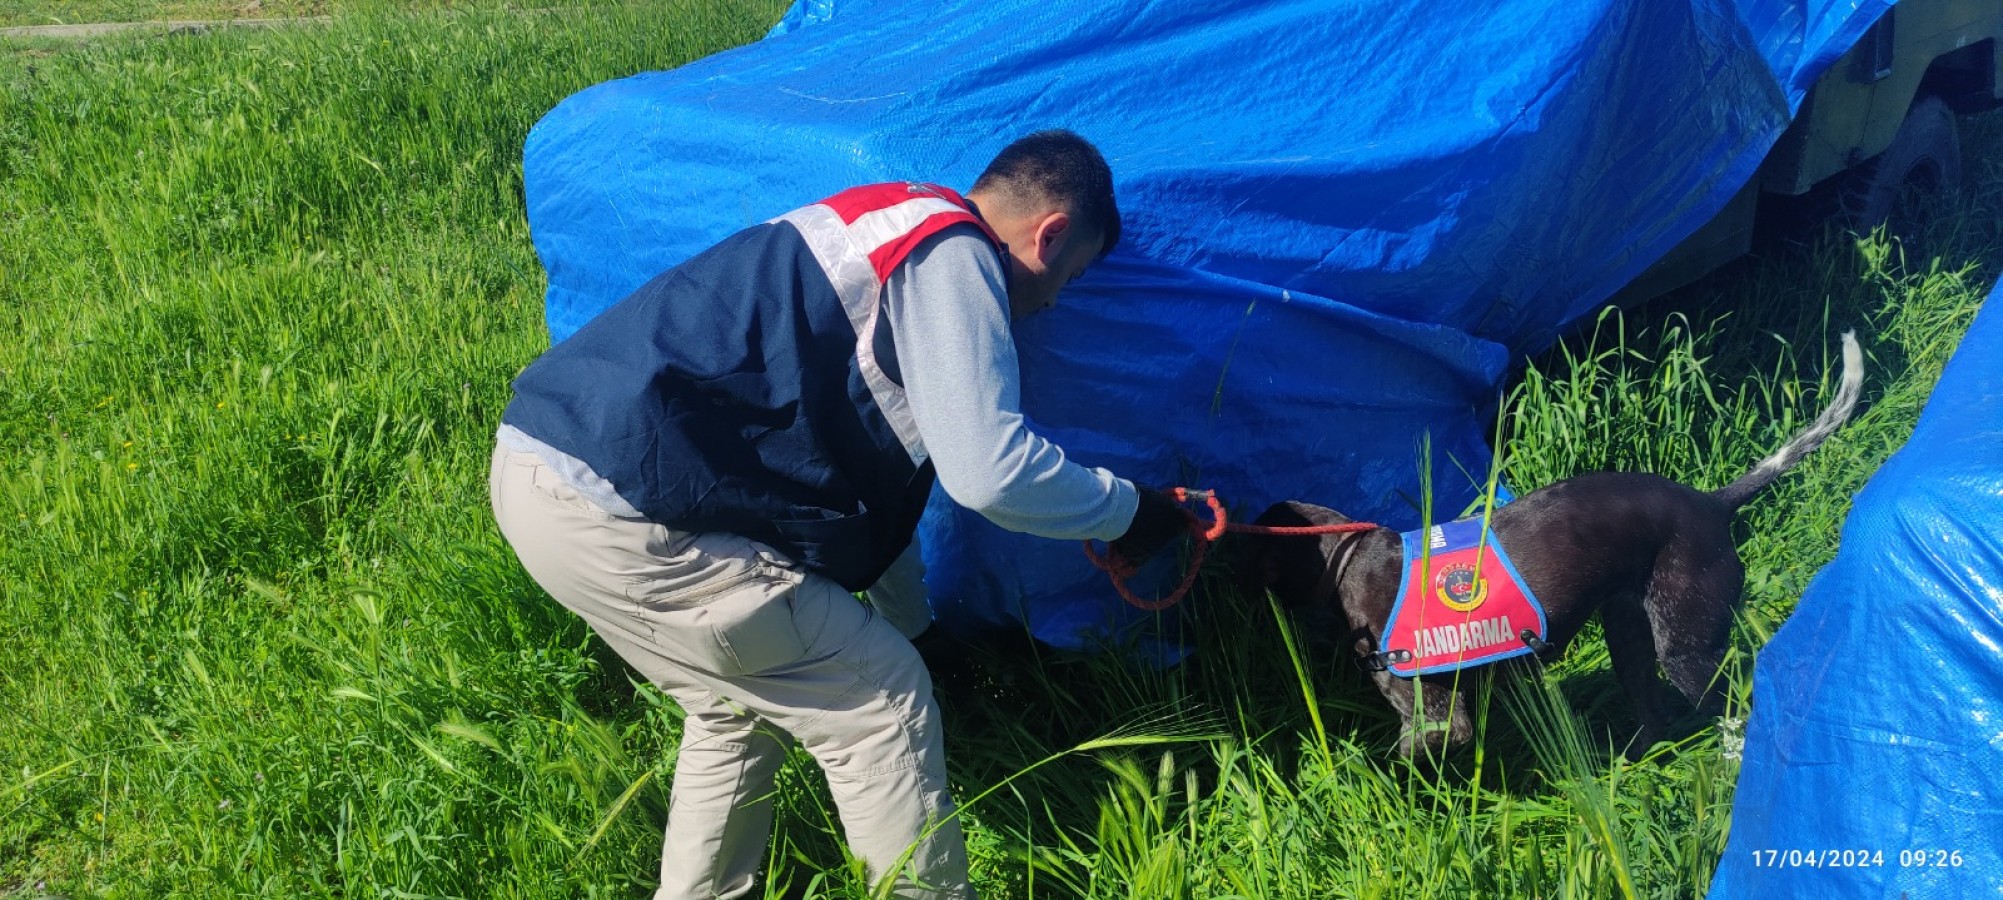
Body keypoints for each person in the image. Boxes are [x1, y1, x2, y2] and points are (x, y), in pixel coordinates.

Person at [488, 129, 1189, 899]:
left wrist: (913, 623)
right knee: (878, 700)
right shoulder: (950, 251)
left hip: (543, 475)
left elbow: (860, 486)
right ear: (1049, 234)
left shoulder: (887, 226)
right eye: (1070, 275)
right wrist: (1131, 513)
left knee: (736, 708)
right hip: (625, 511)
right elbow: (991, 474)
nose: (1054, 300)